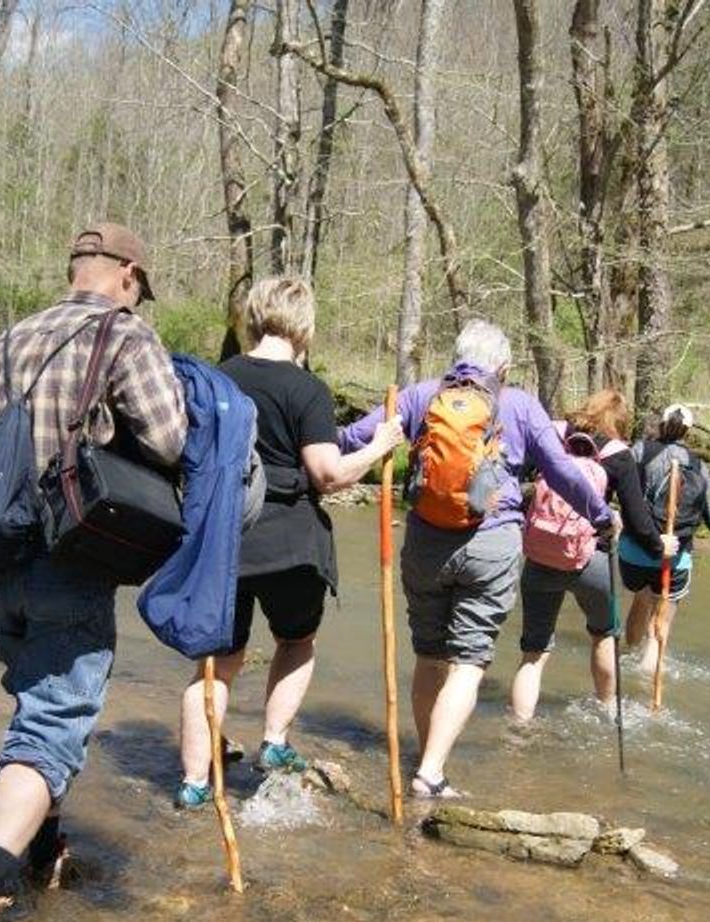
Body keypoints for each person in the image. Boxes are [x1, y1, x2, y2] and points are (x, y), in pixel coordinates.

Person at [0, 223, 186, 922]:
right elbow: (168, 440)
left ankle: (42, 850)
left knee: (35, 696)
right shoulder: (126, 337)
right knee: (53, 722)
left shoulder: (12, 336)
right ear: (129, 274)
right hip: (67, 557)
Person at [339, 321, 612, 799]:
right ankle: (430, 772)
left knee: (429, 655)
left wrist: (309, 438)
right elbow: (562, 472)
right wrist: (601, 514)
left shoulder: (420, 395)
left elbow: (357, 437)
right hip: (492, 544)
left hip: (425, 542)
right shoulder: (522, 405)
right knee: (468, 660)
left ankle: (427, 760)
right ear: (503, 368)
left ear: (456, 358)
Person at [173, 278, 401, 809]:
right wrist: (379, 446)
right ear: (306, 325)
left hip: (224, 536)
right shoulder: (307, 389)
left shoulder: (215, 378)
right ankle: (273, 743)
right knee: (296, 640)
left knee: (217, 663)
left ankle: (193, 784)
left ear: (253, 316)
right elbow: (326, 474)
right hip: (289, 541)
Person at [509, 388, 659, 722]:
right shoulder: (619, 455)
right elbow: (637, 520)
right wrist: (661, 548)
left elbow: (516, 477)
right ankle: (608, 712)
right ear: (619, 422)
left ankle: (519, 729)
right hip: (592, 559)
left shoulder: (554, 434)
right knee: (604, 637)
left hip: (541, 553)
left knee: (533, 654)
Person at [620, 405, 710, 680]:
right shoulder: (699, 466)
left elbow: (624, 492)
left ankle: (628, 654)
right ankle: (649, 668)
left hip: (634, 551)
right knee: (662, 615)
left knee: (641, 599)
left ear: (663, 424)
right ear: (688, 431)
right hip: (675, 557)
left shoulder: (640, 451)